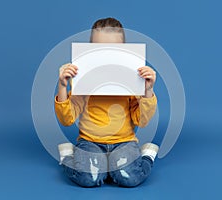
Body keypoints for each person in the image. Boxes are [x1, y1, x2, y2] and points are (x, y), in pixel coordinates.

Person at [55, 17, 159, 187]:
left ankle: (147, 155)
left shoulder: (132, 80)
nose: (106, 55)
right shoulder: (84, 80)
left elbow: (142, 120)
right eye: (99, 49)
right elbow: (67, 119)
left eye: (113, 50)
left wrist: (147, 91)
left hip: (124, 142)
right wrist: (62, 86)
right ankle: (67, 156)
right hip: (90, 141)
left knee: (128, 178)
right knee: (89, 179)